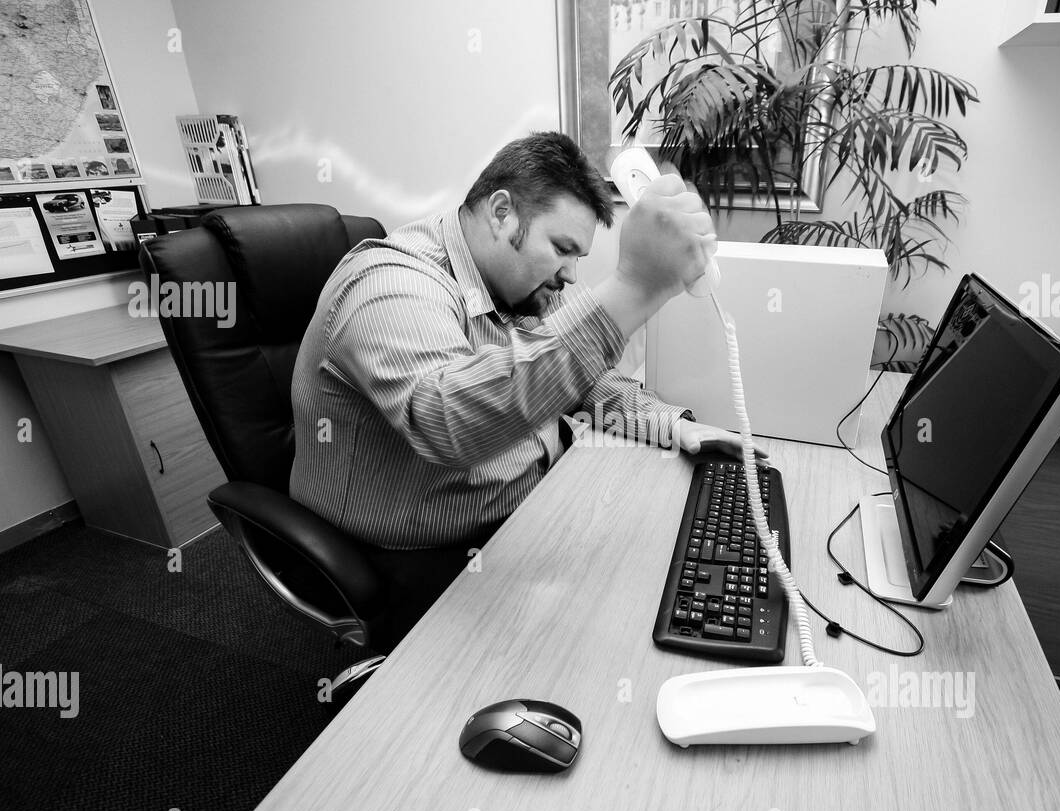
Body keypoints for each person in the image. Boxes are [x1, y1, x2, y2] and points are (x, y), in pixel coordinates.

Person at [290, 131, 760, 628]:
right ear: (501, 213)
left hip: (524, 508)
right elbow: (447, 422)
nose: (571, 275)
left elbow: (583, 380)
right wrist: (634, 287)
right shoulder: (388, 284)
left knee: (652, 573)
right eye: (563, 248)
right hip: (418, 548)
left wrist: (672, 425)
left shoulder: (519, 287)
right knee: (604, 635)